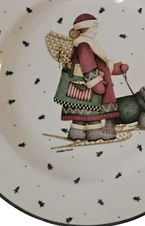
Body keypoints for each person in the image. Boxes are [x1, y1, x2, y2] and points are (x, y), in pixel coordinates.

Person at [53, 13, 129, 141]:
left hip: (81, 86)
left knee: (81, 112)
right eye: (93, 28)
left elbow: (99, 63)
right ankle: (94, 131)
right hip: (87, 86)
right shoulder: (84, 45)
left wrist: (114, 68)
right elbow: (88, 65)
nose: (95, 31)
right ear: (85, 29)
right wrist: (96, 83)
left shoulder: (85, 44)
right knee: (92, 108)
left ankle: (77, 132)